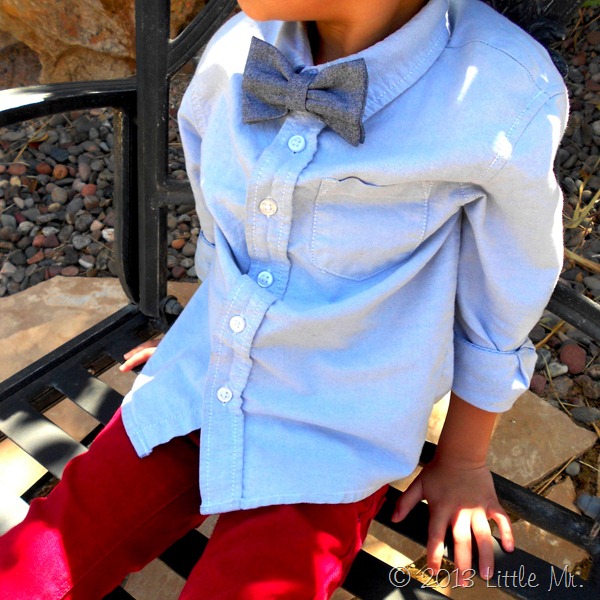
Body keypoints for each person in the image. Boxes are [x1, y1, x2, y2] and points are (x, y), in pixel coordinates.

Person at [0, 0, 568, 597]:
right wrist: (205, 323)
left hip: (334, 429)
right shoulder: (235, 51)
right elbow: (222, 220)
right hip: (200, 380)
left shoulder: (505, 95)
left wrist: (463, 457)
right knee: (49, 552)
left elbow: (506, 292)